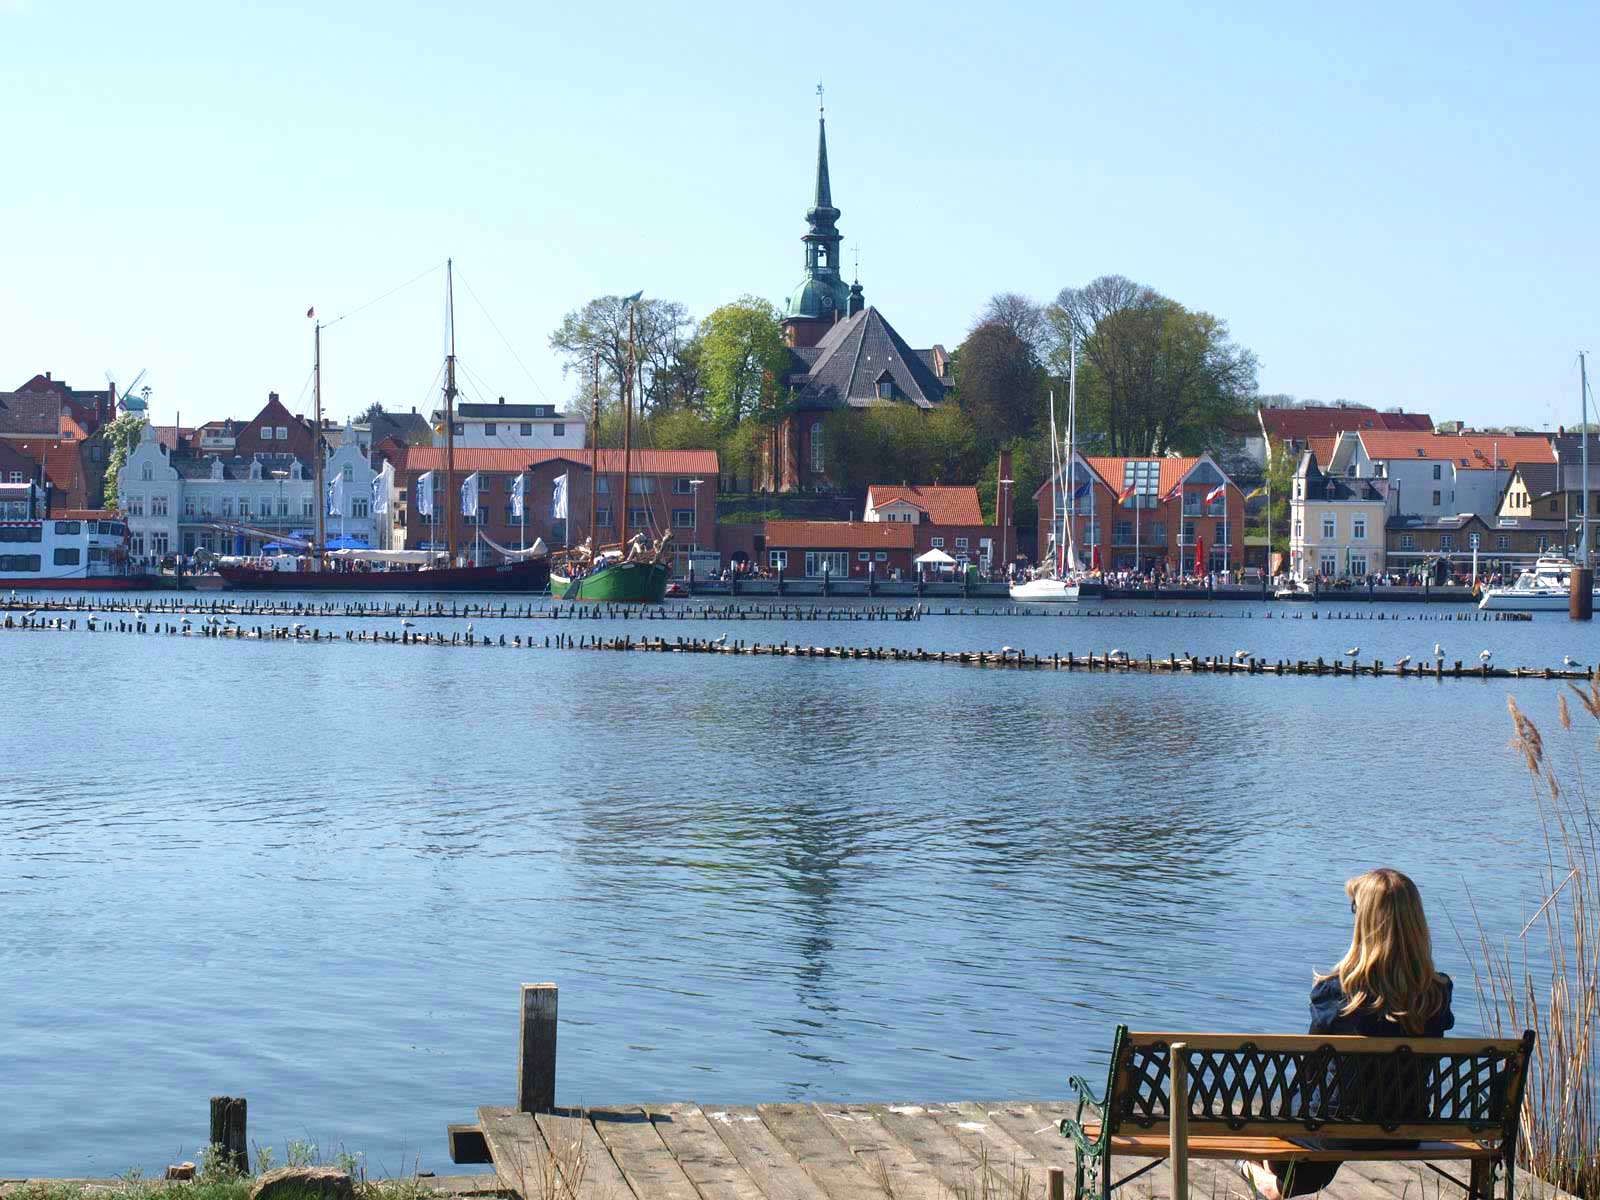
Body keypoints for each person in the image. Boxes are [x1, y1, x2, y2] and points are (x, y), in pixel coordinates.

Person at [1238, 868, 1454, 1200]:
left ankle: (1266, 1180)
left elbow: (1310, 1067)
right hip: (1404, 1129)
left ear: (1365, 922)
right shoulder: (1437, 994)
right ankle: (1274, 1183)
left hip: (1337, 1129)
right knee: (1322, 1130)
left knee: (1305, 1125)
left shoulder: (1336, 993)